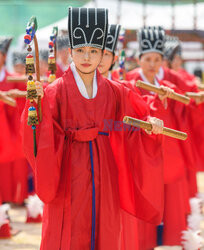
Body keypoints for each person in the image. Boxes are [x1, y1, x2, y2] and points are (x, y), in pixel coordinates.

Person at [22, 8, 164, 250]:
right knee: (69, 231)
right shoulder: (55, 91)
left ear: (102, 55)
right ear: (70, 53)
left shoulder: (114, 90)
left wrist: (149, 124)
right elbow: (38, 131)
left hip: (104, 171)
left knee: (105, 228)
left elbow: (129, 120)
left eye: (93, 51)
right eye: (80, 51)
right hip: (68, 169)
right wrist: (34, 105)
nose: (86, 57)